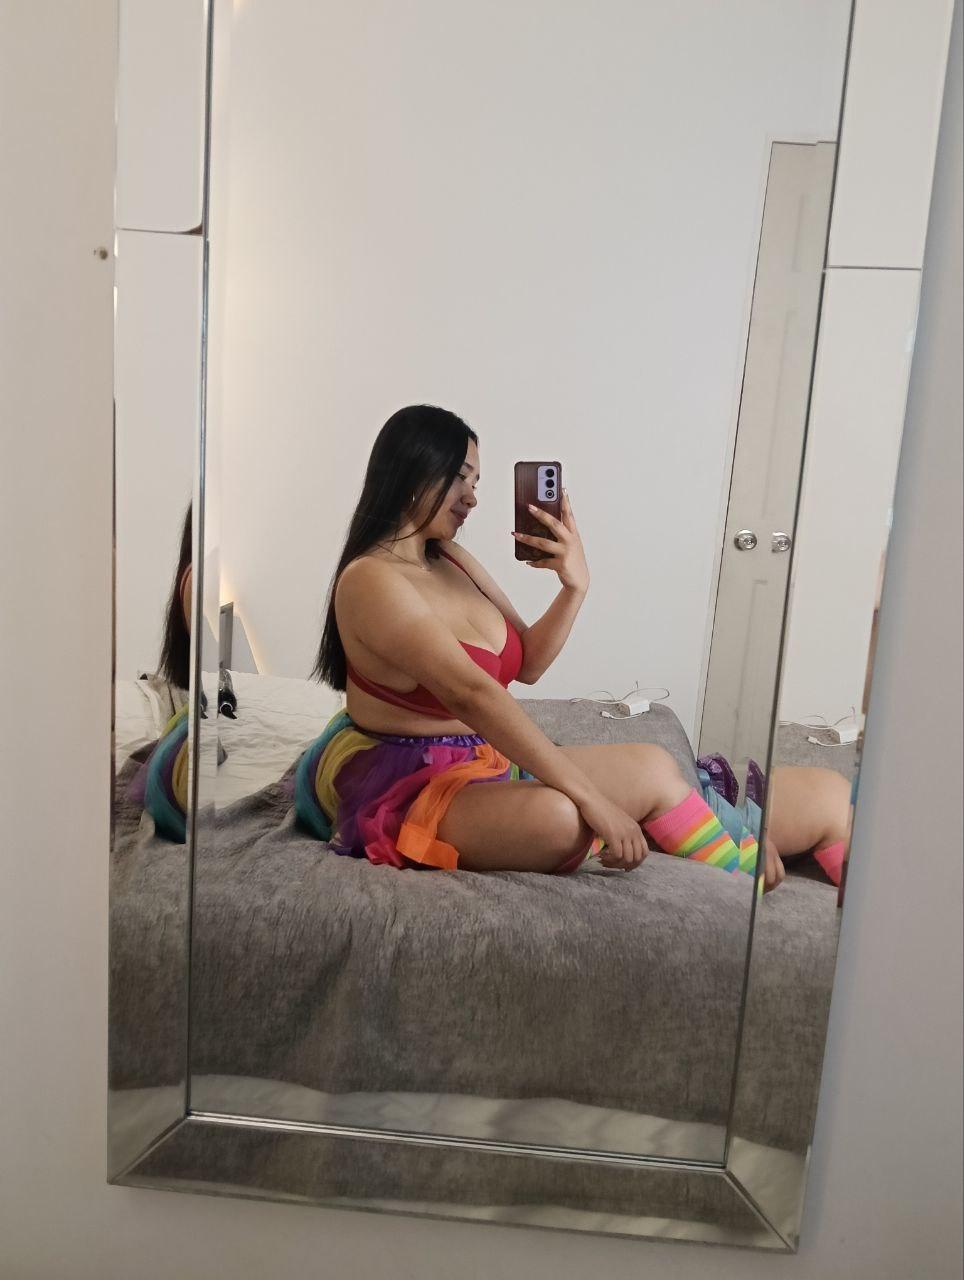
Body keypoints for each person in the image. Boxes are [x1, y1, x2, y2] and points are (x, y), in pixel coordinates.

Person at [296, 406, 850, 890]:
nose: (473, 497)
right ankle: (741, 872)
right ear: (414, 468)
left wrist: (574, 585)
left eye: (477, 481)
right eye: (460, 477)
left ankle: (744, 868)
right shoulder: (370, 581)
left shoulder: (453, 559)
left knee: (653, 765)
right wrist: (593, 800)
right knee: (562, 818)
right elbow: (473, 694)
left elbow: (529, 664)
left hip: (480, 758)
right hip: (410, 781)